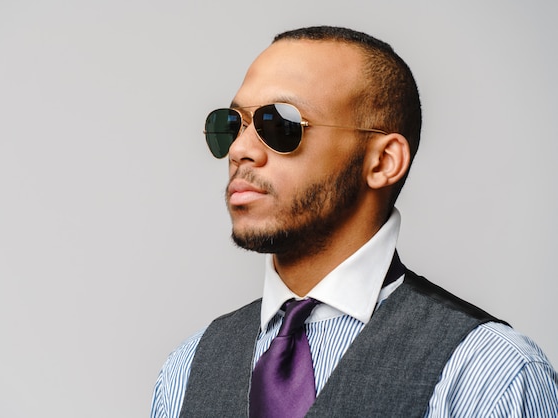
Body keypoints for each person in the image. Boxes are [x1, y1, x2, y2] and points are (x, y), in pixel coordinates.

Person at [151, 26, 558, 417]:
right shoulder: (185, 371)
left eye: (279, 124)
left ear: (382, 161)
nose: (240, 150)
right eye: (232, 125)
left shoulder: (490, 376)